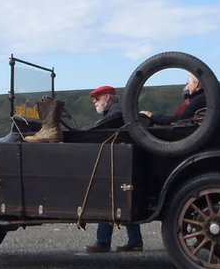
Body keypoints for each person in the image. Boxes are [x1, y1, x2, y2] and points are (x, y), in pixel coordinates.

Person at [83, 85, 143, 253]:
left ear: (107, 98)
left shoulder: (115, 114)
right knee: (123, 201)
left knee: (108, 200)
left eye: (97, 98)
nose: (95, 101)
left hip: (118, 164)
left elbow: (98, 130)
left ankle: (103, 242)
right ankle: (135, 241)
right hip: (123, 163)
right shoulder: (118, 112)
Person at [141, 74, 207, 124]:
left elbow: (179, 120)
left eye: (188, 83)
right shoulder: (208, 97)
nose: (187, 86)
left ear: (196, 84)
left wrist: (152, 116)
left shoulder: (198, 100)